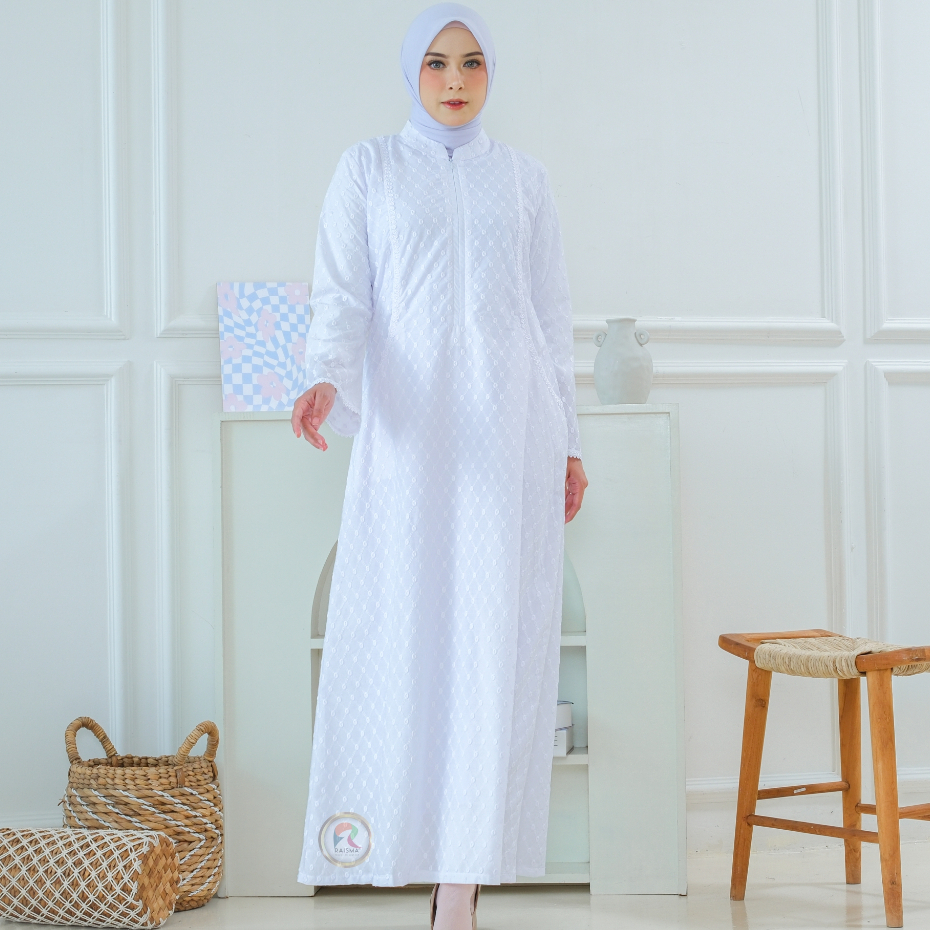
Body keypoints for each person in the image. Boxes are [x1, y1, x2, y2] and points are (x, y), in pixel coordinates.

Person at [291, 4, 587, 927]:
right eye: (435, 62)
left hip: (510, 439)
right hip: (411, 447)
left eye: (471, 63)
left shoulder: (525, 181)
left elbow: (552, 319)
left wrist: (572, 440)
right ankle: (397, 849)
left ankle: (460, 885)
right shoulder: (369, 169)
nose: (454, 80)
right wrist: (324, 378)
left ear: (491, 73)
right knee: (402, 641)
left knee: (495, 649)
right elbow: (342, 297)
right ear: (410, 72)